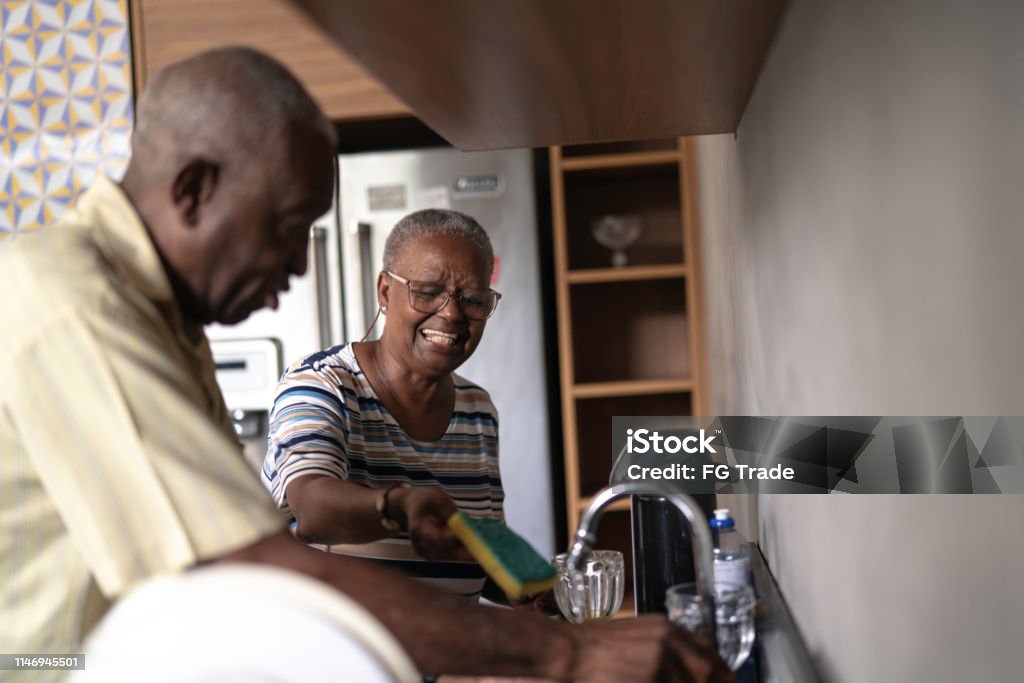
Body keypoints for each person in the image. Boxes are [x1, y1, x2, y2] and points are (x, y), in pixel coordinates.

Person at [0, 46, 730, 683]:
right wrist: (568, 656)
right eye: (287, 229)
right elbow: (251, 563)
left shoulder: (167, 323)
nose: (295, 264)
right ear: (193, 188)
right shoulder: (74, 305)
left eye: (473, 298)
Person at [262, 209, 506, 601]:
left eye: (473, 299)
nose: (451, 314)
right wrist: (399, 505)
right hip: (335, 655)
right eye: (427, 291)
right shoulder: (321, 385)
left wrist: (537, 586)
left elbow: (480, 555)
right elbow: (312, 509)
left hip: (445, 650)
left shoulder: (478, 411)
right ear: (385, 292)